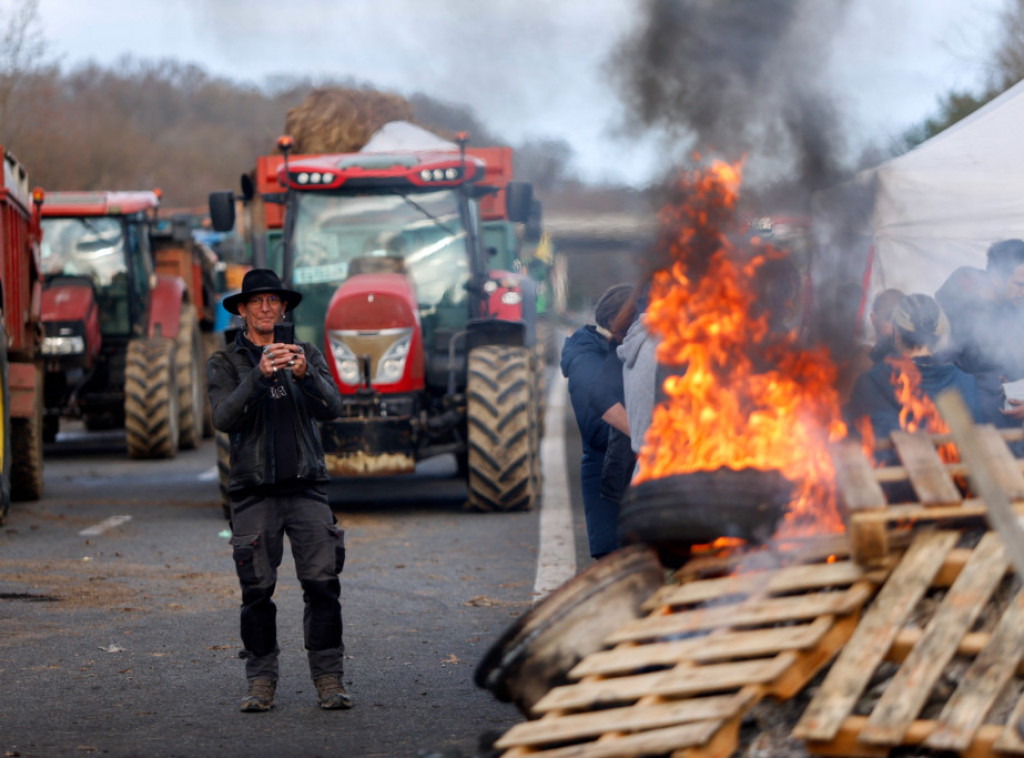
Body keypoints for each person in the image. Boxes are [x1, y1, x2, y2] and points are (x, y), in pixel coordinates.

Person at [207, 269, 348, 713]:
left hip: (307, 490)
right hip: (253, 494)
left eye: (274, 301)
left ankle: (329, 680)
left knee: (323, 586)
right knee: (256, 594)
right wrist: (259, 376)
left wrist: (306, 375)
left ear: (283, 309)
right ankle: (261, 682)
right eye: (257, 301)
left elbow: (335, 408)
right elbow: (224, 418)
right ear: (243, 311)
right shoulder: (225, 363)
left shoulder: (305, 354)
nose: (266, 307)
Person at [844, 293, 983, 445]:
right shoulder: (966, 383)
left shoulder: (869, 383)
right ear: (939, 332)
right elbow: (976, 441)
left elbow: (853, 443)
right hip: (954, 468)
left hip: (892, 469)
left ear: (896, 333)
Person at [560, 283, 633, 559]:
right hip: (607, 479)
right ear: (616, 320)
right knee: (616, 565)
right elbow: (597, 429)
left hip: (628, 476)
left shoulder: (621, 349)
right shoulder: (587, 359)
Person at [936, 239, 1024, 427]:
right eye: (1019, 284)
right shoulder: (959, 316)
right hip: (975, 427)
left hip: (1015, 430)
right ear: (996, 279)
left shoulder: (1017, 312)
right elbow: (942, 372)